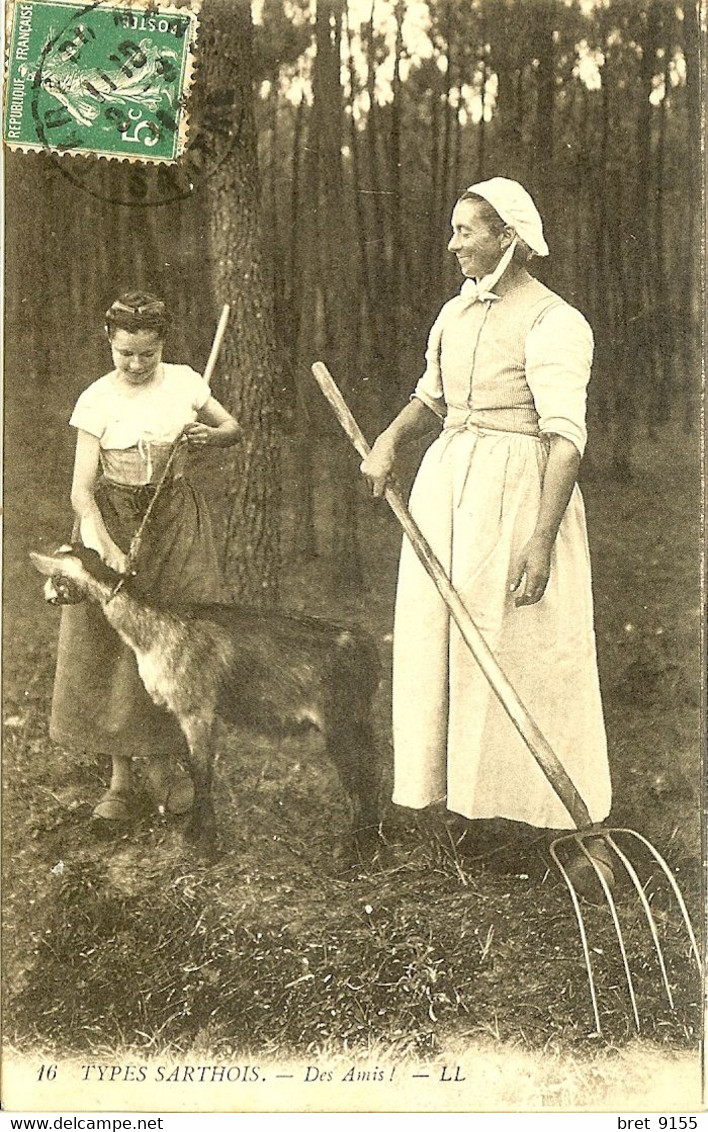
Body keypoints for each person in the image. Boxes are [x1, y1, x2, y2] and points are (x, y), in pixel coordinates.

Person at [360, 178, 612, 886]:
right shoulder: (455, 313)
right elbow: (431, 395)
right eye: (454, 230)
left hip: (519, 492)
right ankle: (459, 808)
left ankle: (577, 826)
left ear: (508, 236)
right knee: (445, 644)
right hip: (449, 489)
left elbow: (566, 441)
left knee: (531, 650)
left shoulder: (555, 321)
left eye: (466, 231)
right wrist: (388, 441)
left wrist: (540, 540)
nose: (454, 245)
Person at [49, 291, 241, 820]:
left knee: (177, 642)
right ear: (109, 342)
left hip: (175, 520)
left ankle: (168, 767)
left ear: (162, 345)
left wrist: (209, 435)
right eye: (125, 353)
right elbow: (81, 491)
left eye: (147, 354)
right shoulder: (96, 400)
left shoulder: (183, 382)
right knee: (113, 644)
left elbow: (233, 428)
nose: (136, 364)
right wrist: (103, 542)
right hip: (113, 517)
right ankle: (120, 779)